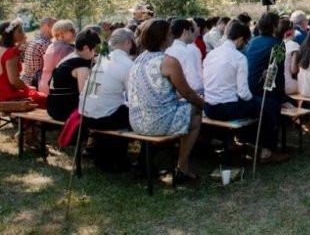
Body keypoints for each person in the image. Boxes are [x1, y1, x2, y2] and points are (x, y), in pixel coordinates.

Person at [128, 19, 205, 182]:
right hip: (156, 122)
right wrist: (204, 104)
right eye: (170, 33)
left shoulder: (139, 59)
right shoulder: (168, 61)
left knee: (187, 108)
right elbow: (188, 93)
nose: (172, 36)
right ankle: (182, 167)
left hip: (136, 120)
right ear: (164, 37)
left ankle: (172, 162)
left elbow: (159, 90)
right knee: (196, 114)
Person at [204, 20, 287, 163]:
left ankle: (247, 140)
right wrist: (255, 101)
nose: (244, 45)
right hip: (226, 108)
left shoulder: (212, 54)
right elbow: (243, 93)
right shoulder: (239, 57)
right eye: (245, 42)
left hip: (209, 106)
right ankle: (266, 151)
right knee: (269, 106)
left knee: (259, 104)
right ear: (241, 39)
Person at [79, 27, 136, 171]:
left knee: (115, 107)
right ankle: (119, 159)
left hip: (85, 114)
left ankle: (104, 156)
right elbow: (134, 96)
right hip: (104, 119)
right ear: (128, 43)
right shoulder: (127, 64)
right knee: (133, 112)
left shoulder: (101, 59)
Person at [46, 29, 102, 121]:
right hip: (64, 110)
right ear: (86, 48)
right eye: (95, 50)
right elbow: (85, 95)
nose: (96, 54)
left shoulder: (69, 57)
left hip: (52, 106)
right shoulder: (81, 65)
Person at [0, 19, 47, 108]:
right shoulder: (10, 54)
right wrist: (27, 88)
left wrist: (19, 45)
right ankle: (29, 121)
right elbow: (14, 81)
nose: (23, 33)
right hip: (6, 95)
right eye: (20, 31)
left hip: (3, 92)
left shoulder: (5, 50)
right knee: (44, 98)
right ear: (10, 34)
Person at [244, 12, 280, 97]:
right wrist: (282, 99)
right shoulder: (278, 44)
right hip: (263, 91)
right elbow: (277, 72)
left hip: (247, 86)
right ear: (274, 27)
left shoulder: (252, 41)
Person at [165, 19, 204, 96]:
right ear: (185, 31)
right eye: (192, 29)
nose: (194, 33)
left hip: (173, 94)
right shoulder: (188, 51)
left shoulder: (168, 50)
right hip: (189, 95)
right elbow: (195, 83)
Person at [38, 19, 77, 95]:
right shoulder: (68, 48)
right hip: (58, 89)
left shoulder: (51, 46)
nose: (75, 32)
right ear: (62, 33)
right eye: (72, 30)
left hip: (44, 85)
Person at [20, 17, 55, 87]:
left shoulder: (34, 41)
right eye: (56, 26)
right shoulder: (45, 44)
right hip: (37, 84)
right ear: (48, 26)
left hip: (26, 81)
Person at [279, 19, 300, 96]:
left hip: (277, 86)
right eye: (294, 28)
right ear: (290, 31)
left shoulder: (277, 44)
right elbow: (293, 70)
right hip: (288, 85)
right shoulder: (294, 45)